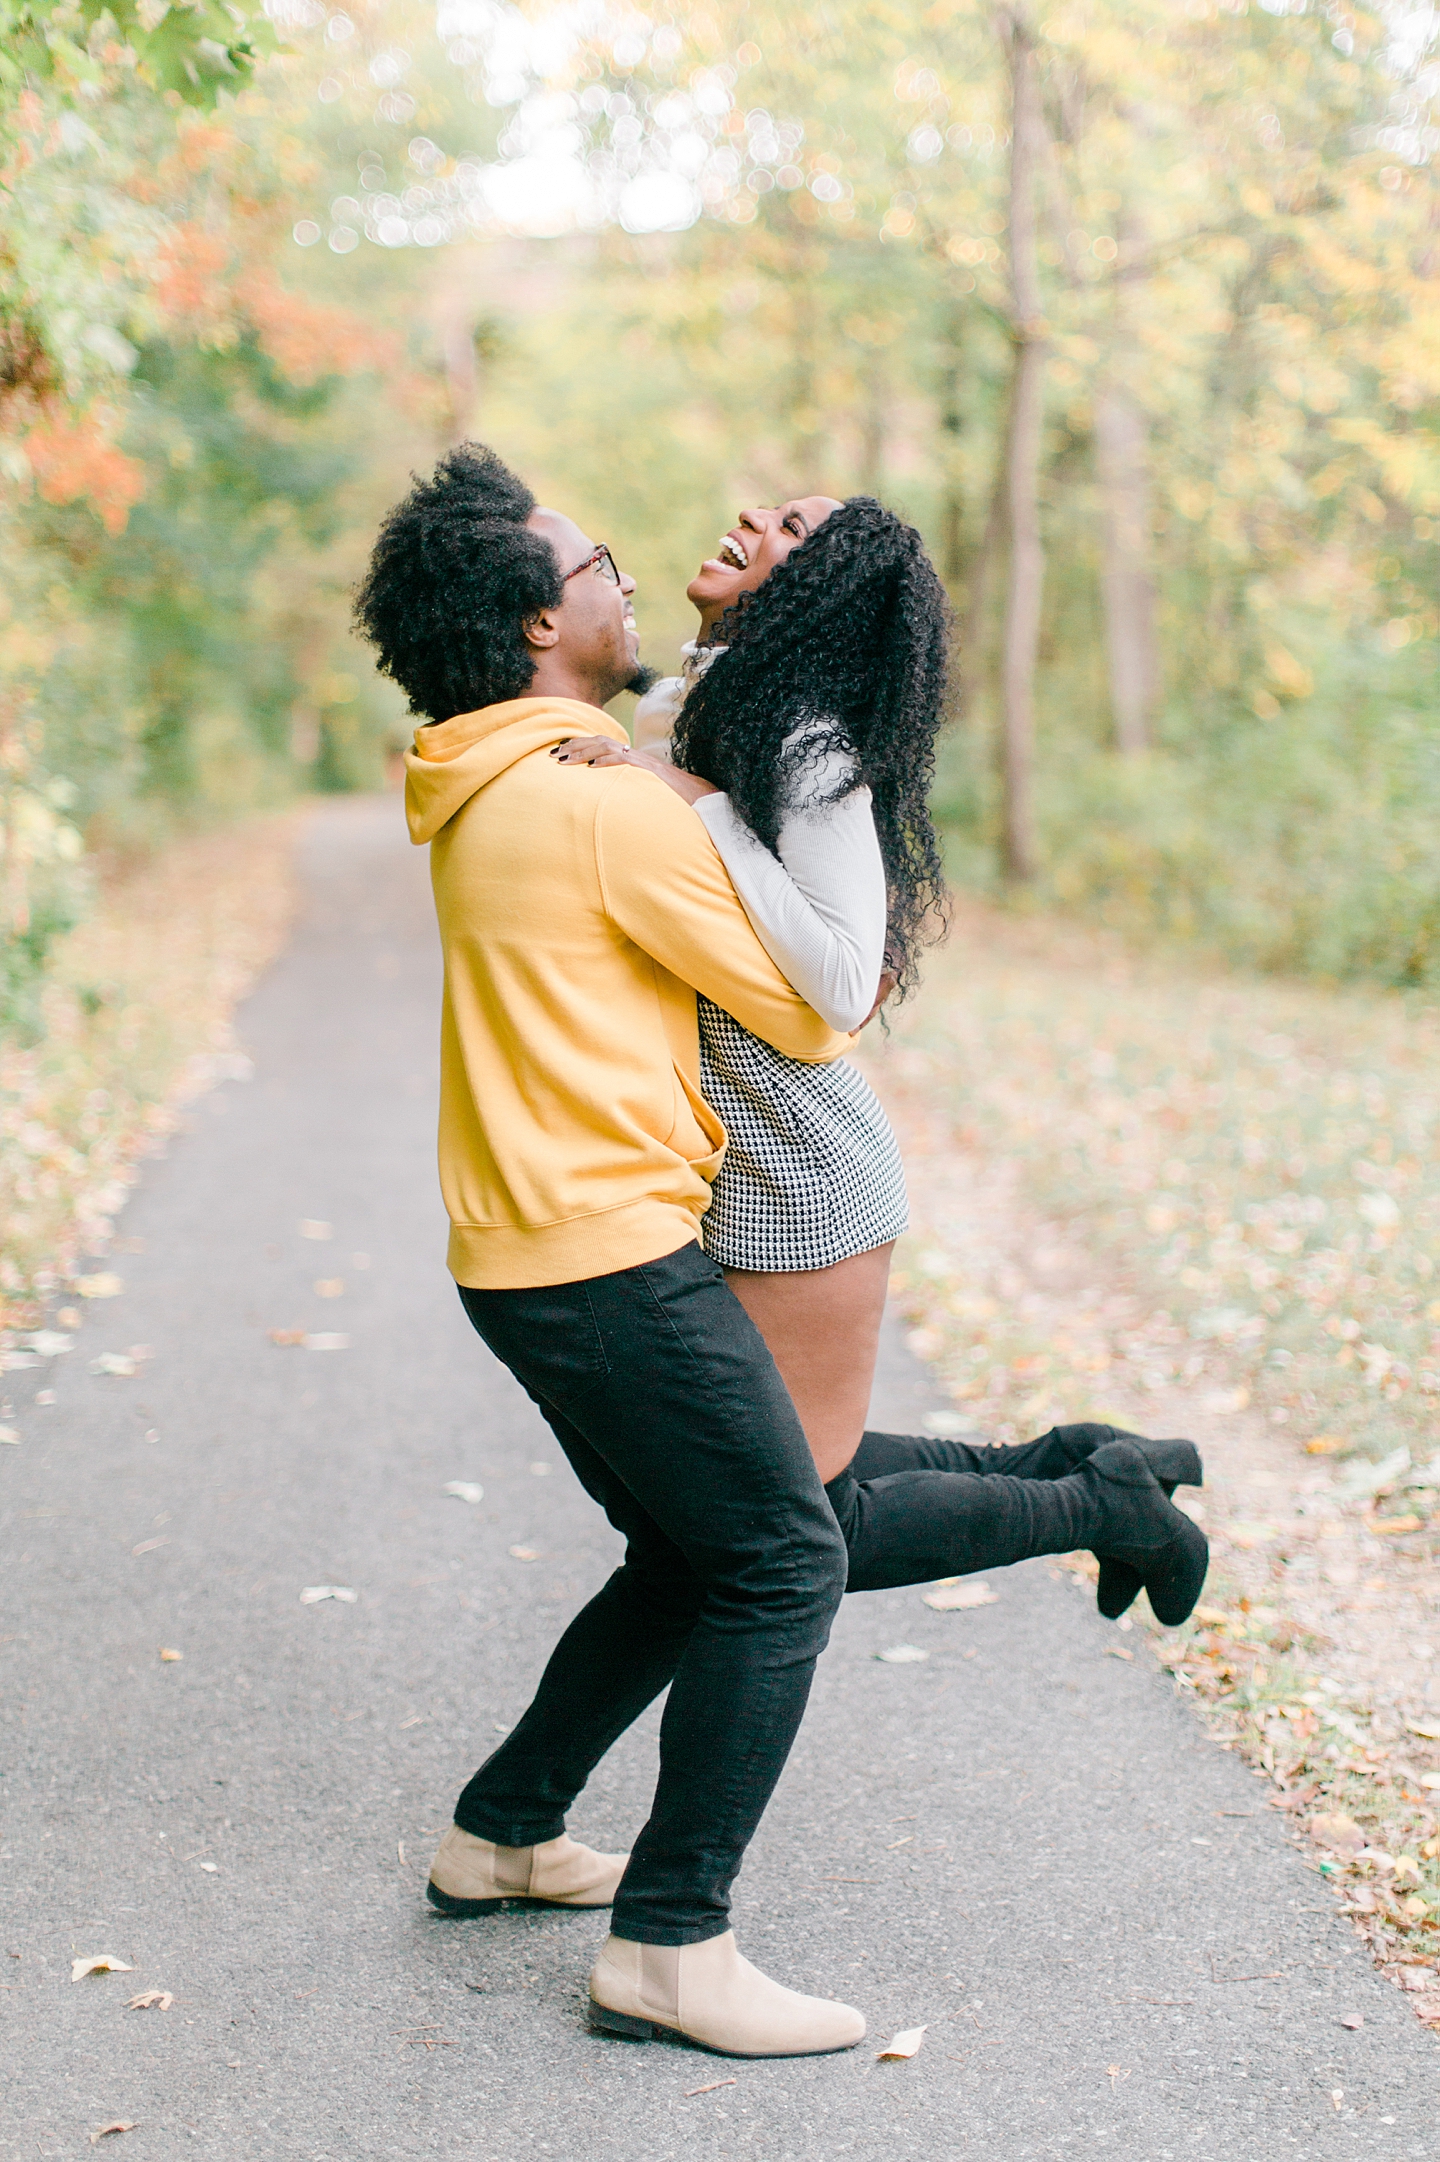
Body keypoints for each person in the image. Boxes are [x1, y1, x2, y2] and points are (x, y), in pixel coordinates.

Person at [555, 496, 1209, 1629]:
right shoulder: (711, 700)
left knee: (803, 1527)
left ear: (825, 590)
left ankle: (1107, 1504)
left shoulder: (804, 745)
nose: (754, 512)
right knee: (776, 1502)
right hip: (735, 1151)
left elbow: (846, 974)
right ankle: (1090, 1458)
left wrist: (690, 800)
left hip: (798, 1168)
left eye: (795, 527)